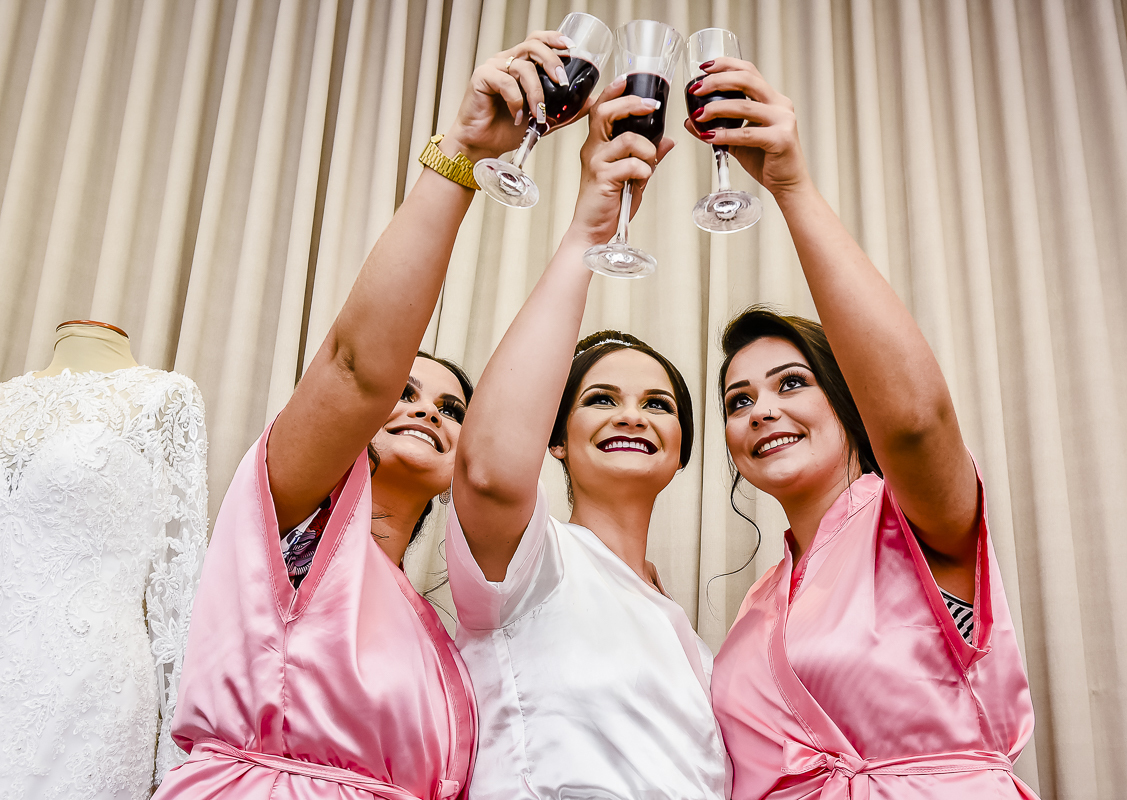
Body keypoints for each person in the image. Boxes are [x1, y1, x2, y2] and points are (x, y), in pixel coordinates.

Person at [153, 31, 576, 800]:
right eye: (406, 395)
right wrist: (465, 154)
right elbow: (356, 371)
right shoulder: (294, 525)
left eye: (453, 408)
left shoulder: (444, 635)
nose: (424, 411)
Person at [690, 58, 1039, 798]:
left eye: (792, 384)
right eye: (738, 400)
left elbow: (914, 423)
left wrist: (790, 188)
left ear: (849, 404)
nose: (762, 412)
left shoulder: (910, 517)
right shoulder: (761, 605)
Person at [444, 78, 726, 800]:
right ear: (557, 439)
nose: (632, 415)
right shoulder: (535, 562)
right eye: (601, 399)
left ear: (682, 446)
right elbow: (487, 472)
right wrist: (588, 231)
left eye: (657, 403)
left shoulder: (692, 637)